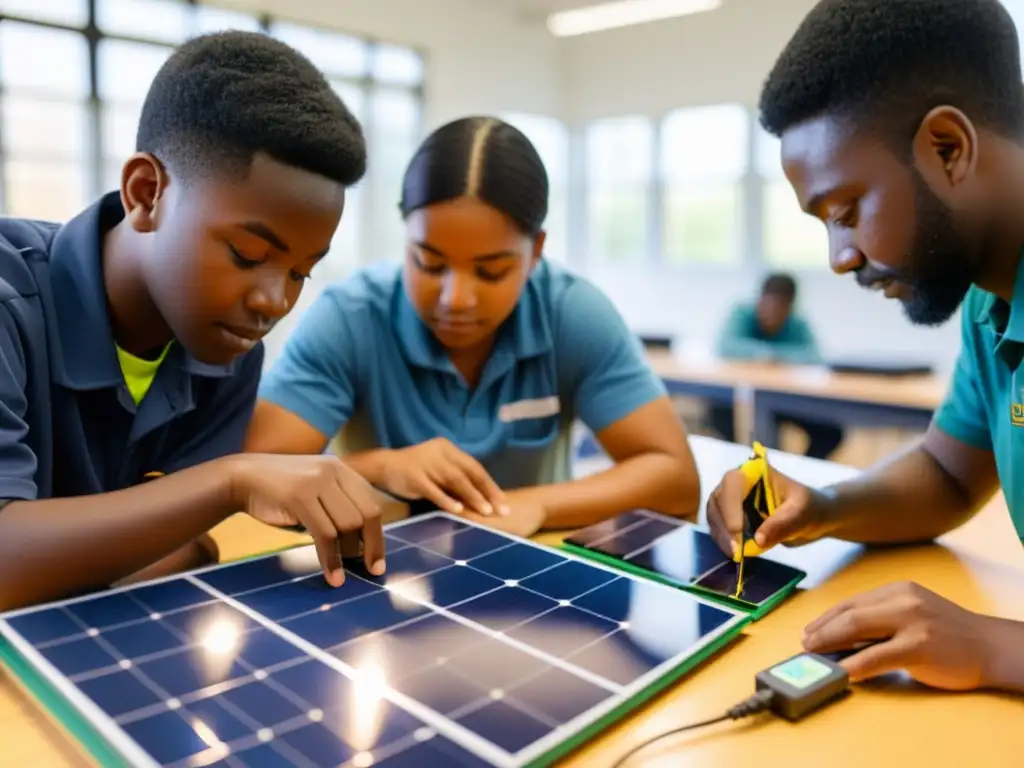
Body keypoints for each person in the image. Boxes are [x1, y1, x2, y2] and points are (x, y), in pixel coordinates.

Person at [0, 31, 387, 611]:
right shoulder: (10, 305)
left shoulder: (226, 352)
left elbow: (181, 549)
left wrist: (180, 540)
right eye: (248, 256)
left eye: (300, 272)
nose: (274, 303)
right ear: (146, 192)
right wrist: (230, 481)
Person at [707, 0, 1024, 694]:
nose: (840, 259)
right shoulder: (988, 303)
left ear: (948, 148)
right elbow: (947, 473)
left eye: (845, 212)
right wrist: (820, 509)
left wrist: (992, 646)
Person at [246, 116, 701, 538]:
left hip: (534, 580)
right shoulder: (350, 318)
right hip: (379, 575)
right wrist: (380, 467)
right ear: (405, 237)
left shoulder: (569, 313)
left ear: (536, 250)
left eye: (491, 272)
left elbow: (675, 477)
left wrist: (534, 505)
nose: (455, 299)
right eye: (429, 263)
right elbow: (252, 475)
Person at [710, 272, 844, 459]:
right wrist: (763, 354)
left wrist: (773, 356)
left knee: (830, 432)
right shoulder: (742, 314)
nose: (772, 313)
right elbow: (726, 345)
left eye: (780, 308)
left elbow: (813, 355)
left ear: (790, 307)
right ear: (759, 299)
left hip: (783, 400)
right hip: (737, 399)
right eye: (768, 304)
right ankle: (746, 472)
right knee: (723, 418)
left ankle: (798, 474)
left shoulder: (797, 323)